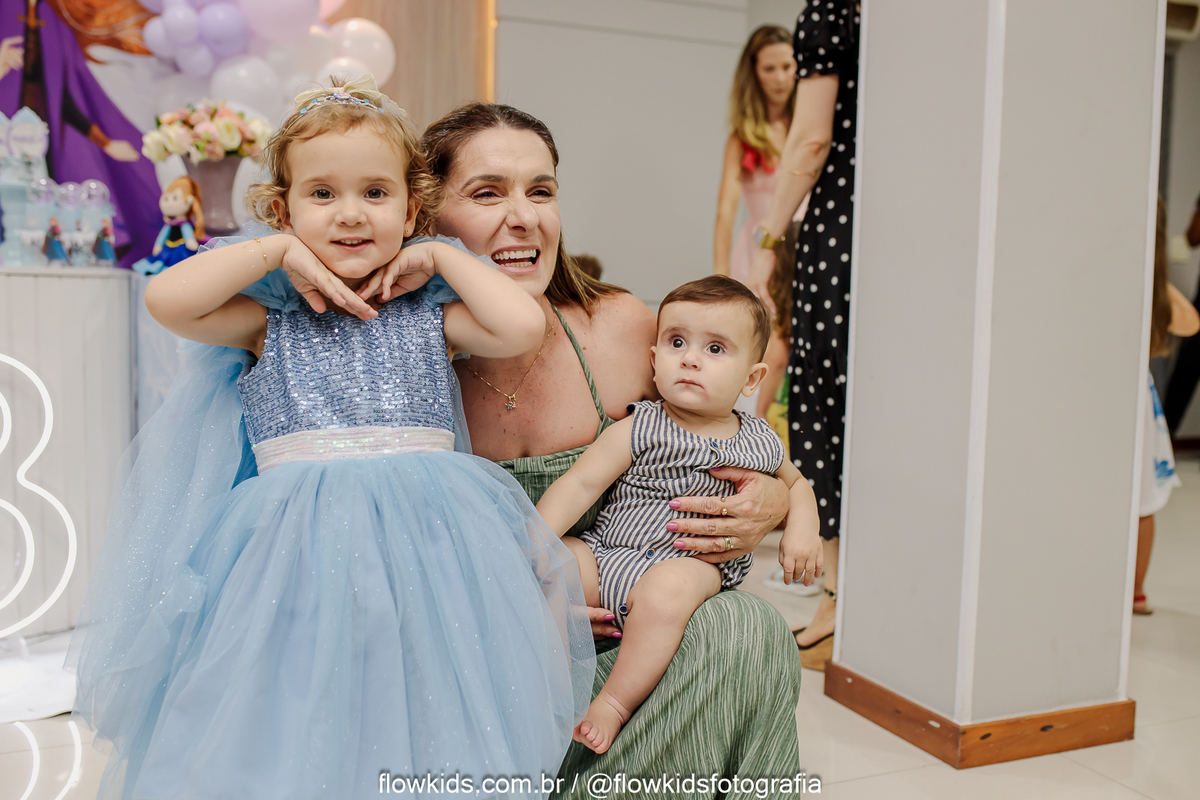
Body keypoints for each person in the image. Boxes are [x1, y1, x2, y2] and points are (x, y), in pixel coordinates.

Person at [68, 78, 593, 799]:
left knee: (420, 696)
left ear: (411, 210)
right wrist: (275, 253)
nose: (350, 213)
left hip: (428, 552)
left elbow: (523, 325)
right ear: (284, 211)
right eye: (322, 194)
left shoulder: (427, 316)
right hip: (293, 556)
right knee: (290, 702)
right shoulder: (269, 321)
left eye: (376, 193)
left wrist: (441, 258)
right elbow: (166, 299)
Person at [419, 102, 803, 794]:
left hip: (620, 647)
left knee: (746, 630)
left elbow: (720, 435)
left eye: (541, 191)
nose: (524, 217)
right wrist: (522, 608)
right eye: (487, 193)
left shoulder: (622, 328)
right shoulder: (393, 357)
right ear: (425, 216)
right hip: (467, 649)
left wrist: (773, 498)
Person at [536, 276, 823, 755]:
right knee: (556, 561)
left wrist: (804, 528)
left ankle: (614, 703)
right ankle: (552, 676)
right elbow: (581, 483)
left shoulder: (758, 441)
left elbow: (796, 484)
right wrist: (535, 540)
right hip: (609, 555)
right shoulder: (641, 424)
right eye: (676, 342)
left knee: (668, 592)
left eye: (715, 349)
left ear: (752, 378)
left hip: (691, 566)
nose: (690, 359)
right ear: (654, 360)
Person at [746, 0, 860, 669]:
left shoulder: (832, 11)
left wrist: (771, 240)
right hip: (905, 220)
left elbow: (813, 140)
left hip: (842, 227)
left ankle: (840, 602)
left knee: (824, 401)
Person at [1136, 198, 1199, 614]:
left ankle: (1134, 589)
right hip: (1139, 401)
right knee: (1143, 501)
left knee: (1140, 500)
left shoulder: (1141, 280)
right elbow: (1189, 321)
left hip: (1128, 400)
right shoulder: (1152, 284)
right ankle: (1136, 591)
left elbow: (1190, 322)